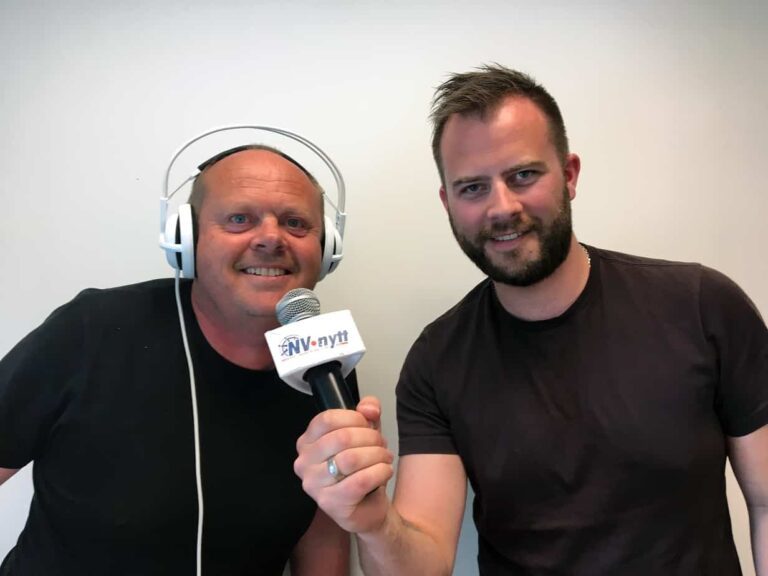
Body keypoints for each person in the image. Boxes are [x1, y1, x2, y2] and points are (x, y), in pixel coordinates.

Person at [294, 64, 768, 575]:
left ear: (569, 174)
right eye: (472, 188)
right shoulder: (437, 360)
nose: (502, 207)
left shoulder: (701, 306)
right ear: (447, 202)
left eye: (523, 175)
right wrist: (373, 522)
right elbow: (422, 565)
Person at [0, 143, 355, 575]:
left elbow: (322, 534)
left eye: (295, 223)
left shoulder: (325, 367)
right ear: (186, 238)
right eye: (239, 219)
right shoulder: (91, 331)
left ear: (327, 246)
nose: (270, 238)